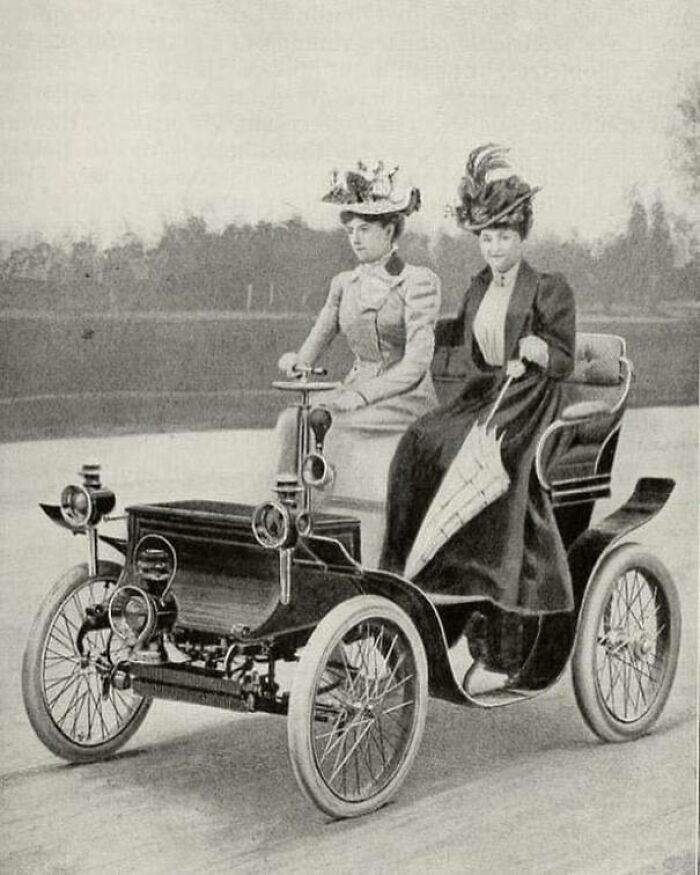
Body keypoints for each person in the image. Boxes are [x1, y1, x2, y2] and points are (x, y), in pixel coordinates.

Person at [380, 145, 577, 620]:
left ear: (521, 236)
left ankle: (490, 585)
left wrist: (540, 349)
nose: (494, 248)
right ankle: (405, 569)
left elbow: (565, 359)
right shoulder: (479, 286)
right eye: (487, 238)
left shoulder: (549, 288)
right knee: (420, 440)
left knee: (490, 458)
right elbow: (458, 331)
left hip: (530, 398)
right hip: (486, 392)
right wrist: (414, 328)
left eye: (504, 237)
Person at [275, 162, 441, 479]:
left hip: (404, 399)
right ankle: (286, 503)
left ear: (389, 231)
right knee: (290, 422)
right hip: (352, 390)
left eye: (364, 230)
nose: (355, 239)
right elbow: (319, 336)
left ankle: (334, 502)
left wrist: (364, 395)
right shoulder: (343, 283)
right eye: (350, 231)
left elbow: (416, 364)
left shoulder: (417, 282)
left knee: (330, 425)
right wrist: (298, 362)